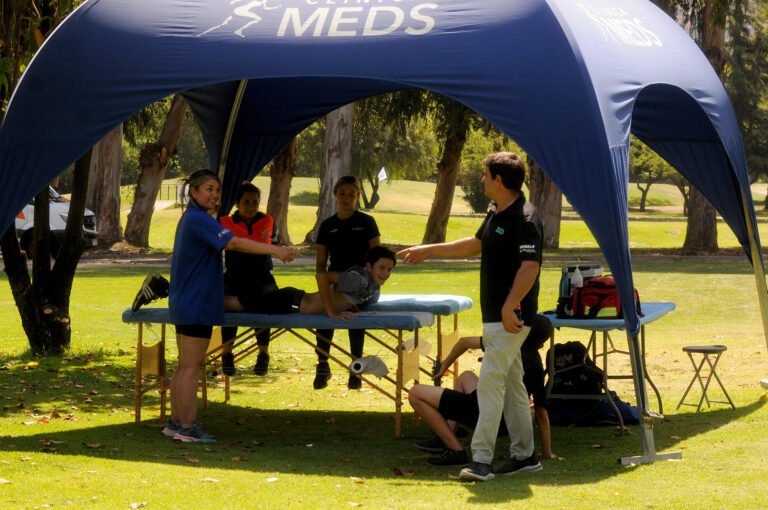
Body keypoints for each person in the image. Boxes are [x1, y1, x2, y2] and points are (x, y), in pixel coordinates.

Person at [398, 152, 543, 481]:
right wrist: (428, 249)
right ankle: (525, 456)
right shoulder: (496, 211)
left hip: (511, 317)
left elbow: (530, 267)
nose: (481, 179)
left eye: (485, 174)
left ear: (499, 180)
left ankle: (481, 461)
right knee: (513, 387)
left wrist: (510, 304)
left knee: (489, 386)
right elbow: (475, 244)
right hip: (497, 316)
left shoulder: (526, 218)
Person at [164, 170, 295, 443]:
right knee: (190, 368)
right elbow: (234, 243)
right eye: (208, 189)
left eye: (217, 189)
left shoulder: (193, 217)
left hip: (186, 301)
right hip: (197, 302)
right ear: (194, 192)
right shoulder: (199, 219)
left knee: (184, 366)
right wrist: (276, 249)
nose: (214, 195)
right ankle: (187, 427)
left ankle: (176, 423)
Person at [408, 314, 554, 467]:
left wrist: (444, 365)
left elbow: (464, 342)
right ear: (541, 345)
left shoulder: (503, 343)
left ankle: (456, 451)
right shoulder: (537, 365)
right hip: (506, 424)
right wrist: (547, 452)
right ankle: (445, 436)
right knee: (466, 377)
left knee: (415, 393)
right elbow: (541, 413)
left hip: (482, 412)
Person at [314, 176, 380, 390]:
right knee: (325, 308)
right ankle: (322, 364)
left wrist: (366, 286)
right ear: (335, 194)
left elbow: (378, 259)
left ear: (357, 196)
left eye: (351, 194)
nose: (346, 198)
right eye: (342, 193)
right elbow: (321, 263)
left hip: (363, 286)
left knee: (354, 310)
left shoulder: (367, 222)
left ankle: (356, 368)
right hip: (336, 283)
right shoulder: (327, 226)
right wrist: (323, 288)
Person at [223, 246, 395, 319]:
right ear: (369, 266)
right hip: (290, 303)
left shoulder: (371, 284)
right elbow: (322, 277)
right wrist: (331, 312)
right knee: (234, 304)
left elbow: (343, 294)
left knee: (236, 302)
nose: (385, 273)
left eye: (389, 269)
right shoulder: (359, 280)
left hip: (293, 300)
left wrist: (351, 306)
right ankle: (205, 302)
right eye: (381, 268)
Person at [219, 182, 279, 376]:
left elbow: (267, 243)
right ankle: (227, 354)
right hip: (234, 276)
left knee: (265, 310)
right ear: (237, 203)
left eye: (255, 202)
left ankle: (263, 354)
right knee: (228, 311)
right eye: (246, 202)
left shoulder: (267, 220)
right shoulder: (225, 222)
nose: (251, 206)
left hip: (261, 276)